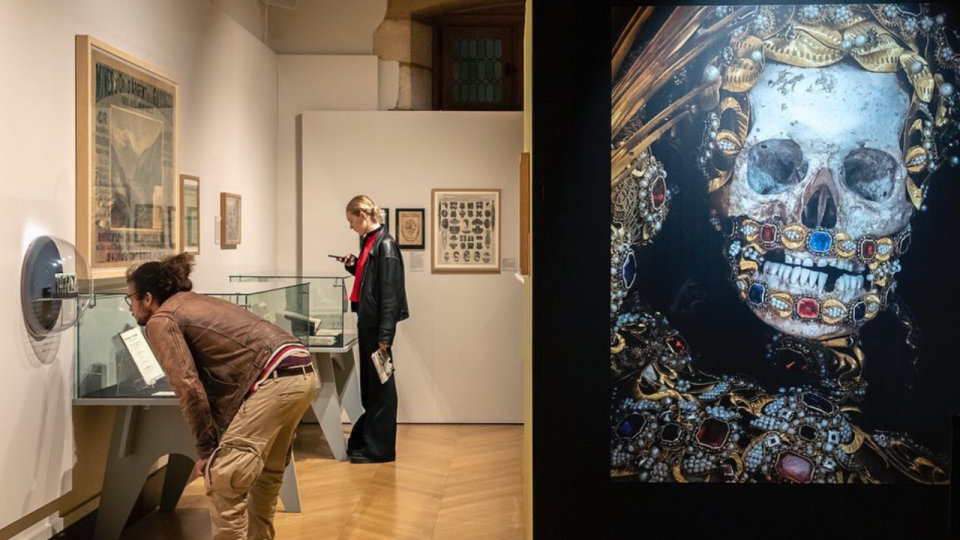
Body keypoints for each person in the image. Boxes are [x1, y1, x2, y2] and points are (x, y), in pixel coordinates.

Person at [125, 253, 318, 539]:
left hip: (275, 380)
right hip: (302, 370)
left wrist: (206, 450)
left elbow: (188, 385)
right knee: (267, 473)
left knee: (225, 478)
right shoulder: (197, 301)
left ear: (148, 298)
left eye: (130, 299)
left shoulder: (162, 320)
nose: (130, 308)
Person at [339, 195, 409, 464]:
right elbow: (370, 280)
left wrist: (385, 336)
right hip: (368, 323)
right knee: (372, 388)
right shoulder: (371, 242)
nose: (350, 226)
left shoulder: (386, 245)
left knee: (382, 388)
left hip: (377, 328)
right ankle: (369, 442)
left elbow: (390, 294)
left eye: (351, 220)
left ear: (362, 215)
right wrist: (352, 266)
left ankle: (380, 449)